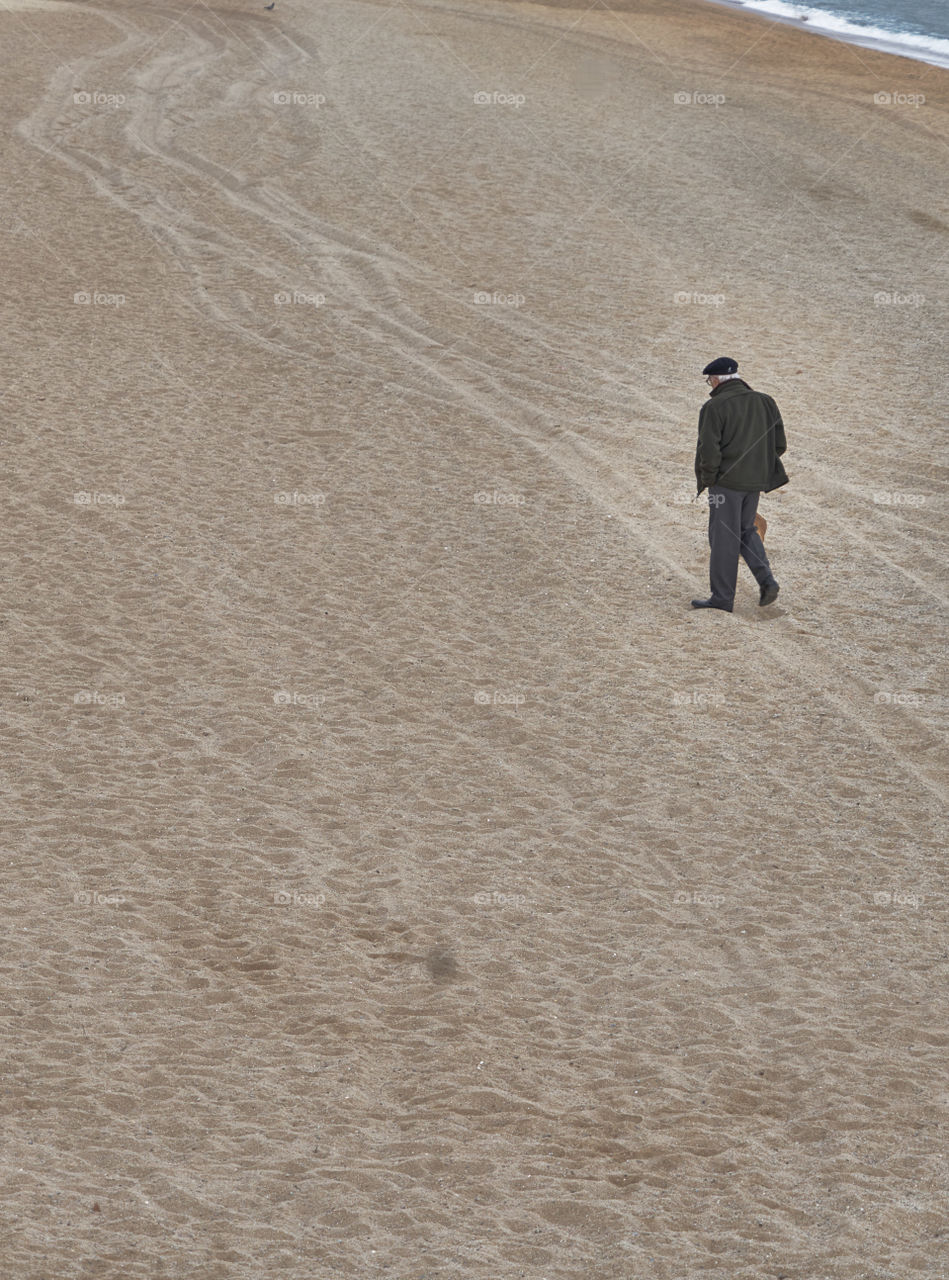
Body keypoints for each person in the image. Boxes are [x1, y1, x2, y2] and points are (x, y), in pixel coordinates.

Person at [691, 356, 787, 612]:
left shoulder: (714, 407)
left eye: (709, 381)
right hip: (754, 481)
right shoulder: (765, 401)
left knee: (723, 537)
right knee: (746, 531)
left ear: (716, 379)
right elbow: (779, 445)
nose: (709, 386)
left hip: (726, 484)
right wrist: (757, 467)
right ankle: (767, 581)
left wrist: (710, 481)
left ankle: (722, 599)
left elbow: (708, 451)